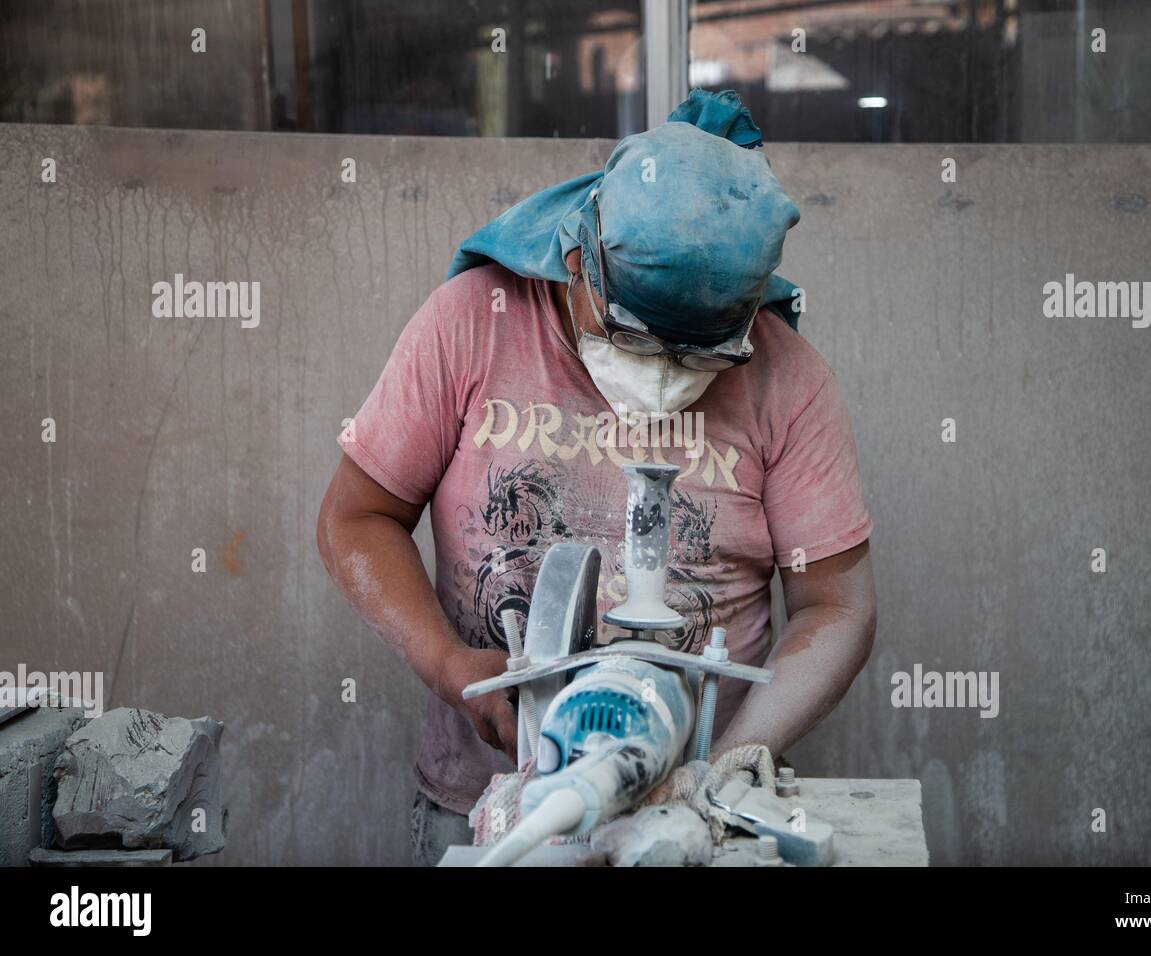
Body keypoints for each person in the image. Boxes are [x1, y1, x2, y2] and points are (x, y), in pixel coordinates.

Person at [317, 90, 876, 866]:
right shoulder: (471, 325)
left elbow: (836, 604)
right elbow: (356, 518)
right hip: (491, 808)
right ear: (579, 261)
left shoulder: (789, 379)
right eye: (634, 339)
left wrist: (729, 762)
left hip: (700, 822)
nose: (659, 381)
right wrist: (450, 666)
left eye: (699, 358)